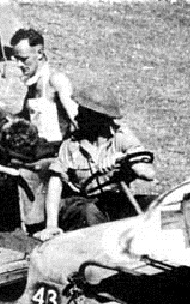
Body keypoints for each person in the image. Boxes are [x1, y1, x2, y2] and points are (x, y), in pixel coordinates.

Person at [34, 87, 156, 241]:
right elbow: (55, 183)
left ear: (99, 119)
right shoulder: (70, 146)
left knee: (155, 205)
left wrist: (121, 158)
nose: (77, 117)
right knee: (91, 212)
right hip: (83, 202)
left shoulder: (120, 140)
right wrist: (51, 225)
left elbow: (148, 173)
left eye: (83, 114)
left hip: (116, 201)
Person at [11, 28, 77, 144]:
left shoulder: (55, 80)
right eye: (16, 59)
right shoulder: (32, 82)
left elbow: (76, 119)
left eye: (24, 59)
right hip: (36, 148)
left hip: (55, 150)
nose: (19, 64)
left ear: (39, 53)